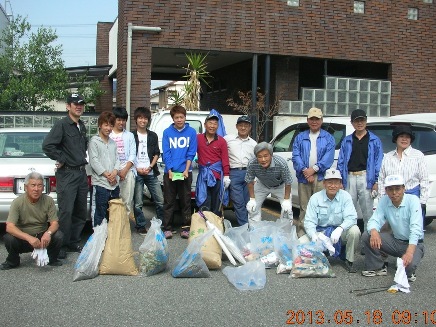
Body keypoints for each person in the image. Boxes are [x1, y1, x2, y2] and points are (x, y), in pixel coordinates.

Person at [42, 93, 89, 259]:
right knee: (66, 211)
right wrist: (61, 158)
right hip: (67, 174)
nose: (79, 106)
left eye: (81, 104)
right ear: (68, 106)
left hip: (81, 174)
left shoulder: (81, 126)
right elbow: (47, 145)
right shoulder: (62, 125)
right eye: (75, 104)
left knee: (80, 211)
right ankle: (60, 245)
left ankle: (73, 241)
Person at [362, 175, 424, 282]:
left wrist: (409, 252)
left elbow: (416, 228)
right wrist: (374, 231)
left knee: (407, 272)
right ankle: (378, 267)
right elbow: (374, 220)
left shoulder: (413, 200)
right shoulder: (384, 201)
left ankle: (407, 265)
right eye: (390, 189)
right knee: (367, 235)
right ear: (386, 190)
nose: (394, 193)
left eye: (397, 188)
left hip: (414, 244)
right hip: (395, 241)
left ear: (404, 188)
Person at [302, 168, 361, 273]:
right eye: (329, 182)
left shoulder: (346, 196)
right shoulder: (315, 198)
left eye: (336, 183)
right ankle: (318, 256)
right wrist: (314, 235)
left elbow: (351, 217)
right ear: (324, 183)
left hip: (339, 233)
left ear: (340, 184)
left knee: (355, 231)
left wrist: (340, 229)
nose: (333, 186)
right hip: (321, 233)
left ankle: (349, 260)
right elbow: (309, 221)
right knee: (301, 242)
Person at [1, 172, 63, 270]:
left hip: (42, 237)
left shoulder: (49, 200)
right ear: (26, 187)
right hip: (24, 238)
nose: (36, 189)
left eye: (39, 186)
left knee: (58, 235)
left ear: (43, 188)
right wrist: (29, 238)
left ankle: (52, 258)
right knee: (9, 238)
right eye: (33, 185)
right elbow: (9, 227)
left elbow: (54, 223)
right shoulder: (17, 202)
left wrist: (48, 233)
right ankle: (13, 260)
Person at [337, 109, 383, 231]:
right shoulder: (347, 140)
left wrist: (376, 181)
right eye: (356, 121)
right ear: (352, 123)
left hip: (366, 177)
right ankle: (348, 242)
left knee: (368, 213)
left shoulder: (374, 140)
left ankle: (368, 244)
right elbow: (341, 161)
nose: (359, 123)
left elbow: (379, 162)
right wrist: (340, 180)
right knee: (347, 212)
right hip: (349, 178)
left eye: (362, 120)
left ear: (366, 121)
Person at [292, 107, 335, 237]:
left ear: (321, 120)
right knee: (304, 207)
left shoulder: (328, 138)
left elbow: (328, 157)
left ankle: (319, 235)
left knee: (321, 207)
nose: (314, 121)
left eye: (317, 119)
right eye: (312, 119)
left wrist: (314, 169)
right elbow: (296, 156)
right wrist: (305, 171)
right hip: (303, 176)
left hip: (321, 177)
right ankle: (302, 234)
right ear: (307, 120)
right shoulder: (300, 137)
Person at [378, 125, 429, 225]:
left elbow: (424, 180)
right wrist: (381, 200)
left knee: (413, 229)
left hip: (413, 196)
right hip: (392, 197)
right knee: (394, 229)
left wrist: (422, 201)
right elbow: (381, 180)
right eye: (401, 136)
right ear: (396, 138)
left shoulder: (418, 155)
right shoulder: (388, 157)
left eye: (407, 137)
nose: (404, 139)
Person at [162, 105, 198, 239]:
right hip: (170, 173)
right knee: (169, 201)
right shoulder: (167, 132)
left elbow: (191, 152)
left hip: (185, 173)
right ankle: (167, 228)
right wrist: (170, 170)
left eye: (181, 117)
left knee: (186, 201)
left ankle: (185, 228)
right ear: (173, 118)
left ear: (185, 117)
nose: (179, 120)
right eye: (176, 117)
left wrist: (187, 170)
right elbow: (166, 153)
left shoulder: (191, 132)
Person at [132, 107, 164, 235]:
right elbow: (129, 154)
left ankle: (161, 224)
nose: (143, 120)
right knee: (138, 202)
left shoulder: (153, 135)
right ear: (136, 119)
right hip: (137, 172)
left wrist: (150, 166)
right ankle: (140, 225)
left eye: (145, 118)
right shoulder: (131, 135)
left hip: (151, 172)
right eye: (140, 118)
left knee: (160, 200)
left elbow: (156, 153)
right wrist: (137, 168)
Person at [245, 142, 293, 223]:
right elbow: (249, 181)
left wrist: (286, 200)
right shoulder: (252, 163)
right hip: (262, 184)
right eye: (259, 157)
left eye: (266, 156)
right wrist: (252, 199)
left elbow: (288, 181)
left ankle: (285, 233)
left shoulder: (281, 163)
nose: (263, 160)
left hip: (280, 186)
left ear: (271, 155)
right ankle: (254, 231)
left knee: (287, 210)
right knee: (253, 208)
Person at [88, 111, 120, 227]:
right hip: (100, 184)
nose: (109, 128)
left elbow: (118, 159)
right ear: (100, 125)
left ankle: (111, 242)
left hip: (114, 184)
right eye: (106, 125)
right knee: (99, 214)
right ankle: (98, 241)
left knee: (113, 214)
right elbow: (94, 161)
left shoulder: (113, 143)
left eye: (111, 125)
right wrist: (107, 175)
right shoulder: (94, 141)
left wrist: (115, 172)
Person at [196, 113, 231, 217]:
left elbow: (225, 159)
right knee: (204, 201)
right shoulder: (198, 138)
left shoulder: (222, 141)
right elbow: (190, 152)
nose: (212, 126)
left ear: (218, 126)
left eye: (215, 123)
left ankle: (216, 227)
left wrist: (226, 175)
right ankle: (204, 226)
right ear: (205, 124)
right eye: (210, 123)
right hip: (203, 176)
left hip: (217, 177)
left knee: (217, 203)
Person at [224, 115, 257, 226]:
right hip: (234, 173)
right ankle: (244, 226)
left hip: (249, 174)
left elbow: (256, 162)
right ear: (237, 126)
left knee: (249, 202)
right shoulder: (228, 139)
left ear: (250, 127)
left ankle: (250, 224)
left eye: (246, 126)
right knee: (238, 202)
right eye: (241, 125)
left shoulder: (253, 144)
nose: (243, 128)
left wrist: (255, 177)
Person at [109, 107, 136, 218]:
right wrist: (114, 172)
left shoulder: (129, 135)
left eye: (123, 120)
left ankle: (124, 226)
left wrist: (125, 170)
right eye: (118, 119)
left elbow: (133, 154)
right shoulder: (108, 135)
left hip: (127, 170)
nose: (121, 122)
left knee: (127, 199)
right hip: (111, 172)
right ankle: (113, 224)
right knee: (112, 200)